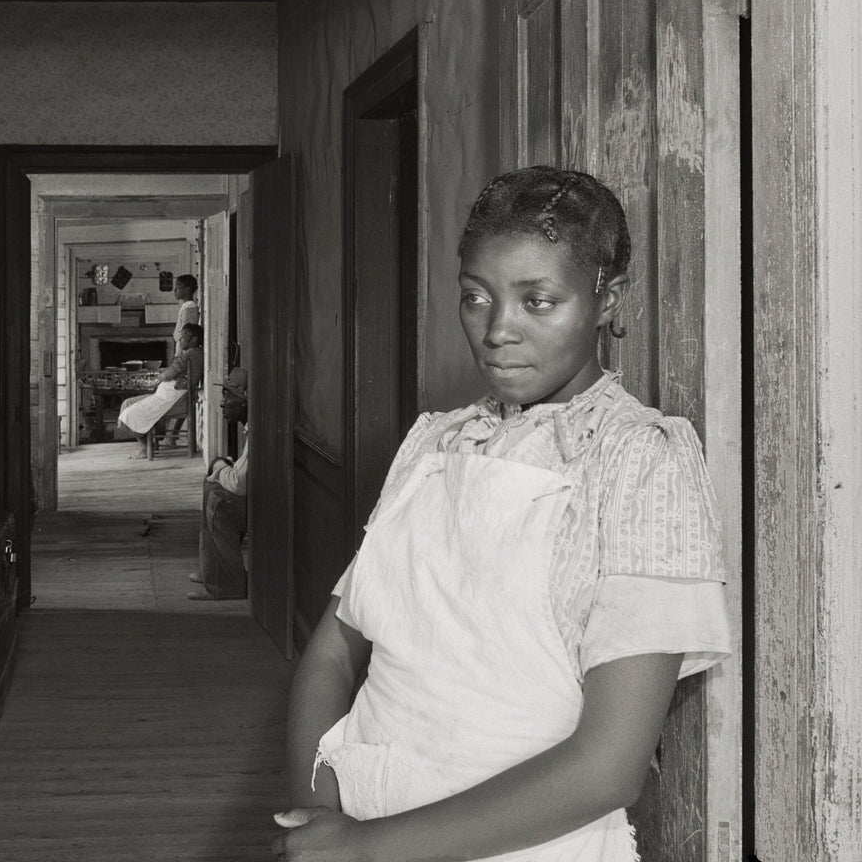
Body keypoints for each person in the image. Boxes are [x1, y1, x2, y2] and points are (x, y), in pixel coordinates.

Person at [274, 167, 731, 861]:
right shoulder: (436, 444)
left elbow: (609, 766)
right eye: (475, 298)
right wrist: (318, 816)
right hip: (356, 816)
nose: (497, 330)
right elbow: (335, 649)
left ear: (607, 300)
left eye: (537, 301)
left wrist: (369, 847)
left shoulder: (637, 460)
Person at [187, 367, 249, 601]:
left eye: (227, 396)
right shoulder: (251, 427)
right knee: (211, 487)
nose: (222, 403)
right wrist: (221, 468)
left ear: (244, 402)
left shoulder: (258, 432)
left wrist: (218, 466)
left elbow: (240, 484)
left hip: (265, 506)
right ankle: (211, 570)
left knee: (219, 501)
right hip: (259, 498)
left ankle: (226, 585)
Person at [117, 323, 203, 459]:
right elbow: (173, 371)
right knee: (127, 403)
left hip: (173, 400)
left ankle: (146, 447)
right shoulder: (192, 353)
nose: (179, 340)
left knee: (129, 414)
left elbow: (168, 375)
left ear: (194, 339)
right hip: (166, 396)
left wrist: (159, 377)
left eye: (182, 338)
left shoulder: (191, 354)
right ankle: (149, 443)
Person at [160, 274, 201, 447]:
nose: (175, 290)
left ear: (188, 289)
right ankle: (171, 436)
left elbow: (187, 336)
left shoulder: (189, 308)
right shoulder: (185, 307)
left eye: (178, 286)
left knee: (179, 396)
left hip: (185, 358)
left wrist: (180, 358)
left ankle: (172, 436)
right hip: (181, 355)